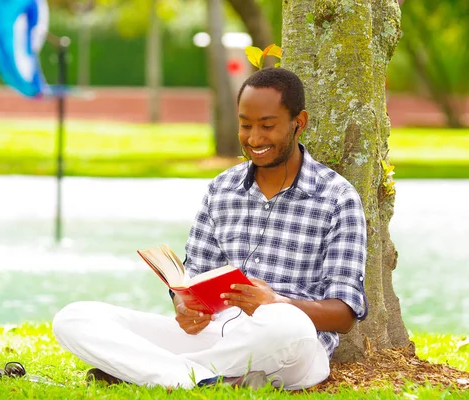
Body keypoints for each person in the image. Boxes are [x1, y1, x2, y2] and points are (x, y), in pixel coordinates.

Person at [53, 67, 368, 390]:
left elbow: (344, 314)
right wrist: (185, 307)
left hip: (290, 346)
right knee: (75, 317)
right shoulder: (222, 189)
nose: (254, 138)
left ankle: (152, 373)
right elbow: (193, 279)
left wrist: (276, 302)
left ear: (298, 123)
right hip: (214, 336)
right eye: (245, 125)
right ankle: (208, 380)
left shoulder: (336, 197)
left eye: (268, 126)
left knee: (288, 326)